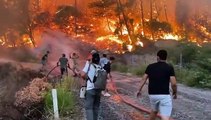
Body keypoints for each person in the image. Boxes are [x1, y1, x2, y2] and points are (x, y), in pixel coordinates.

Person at [137, 50, 177, 120]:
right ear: (166, 58)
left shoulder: (150, 66)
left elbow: (144, 79)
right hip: (164, 95)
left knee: (154, 111)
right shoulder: (169, 67)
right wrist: (174, 92)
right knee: (165, 116)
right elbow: (173, 84)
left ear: (158, 57)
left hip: (152, 95)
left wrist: (139, 90)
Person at [81, 53, 102, 120]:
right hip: (98, 90)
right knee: (96, 107)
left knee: (89, 108)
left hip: (90, 89)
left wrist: (86, 78)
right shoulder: (100, 67)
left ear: (92, 59)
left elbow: (83, 74)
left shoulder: (89, 65)